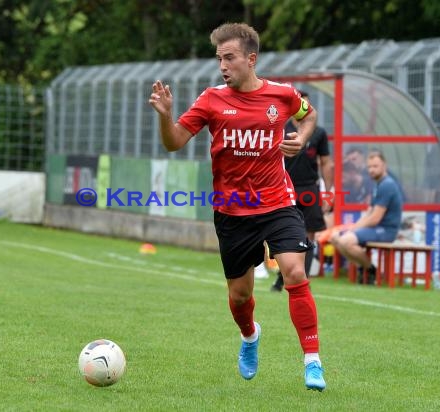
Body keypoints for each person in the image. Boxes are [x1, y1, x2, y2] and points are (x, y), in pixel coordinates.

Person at [148, 22, 326, 391]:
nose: (223, 65)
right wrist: (166, 116)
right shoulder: (211, 99)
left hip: (277, 201)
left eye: (229, 58)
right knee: (240, 295)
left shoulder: (282, 95)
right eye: (219, 59)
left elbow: (308, 115)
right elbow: (175, 142)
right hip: (232, 210)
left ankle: (312, 361)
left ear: (251, 58)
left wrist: (301, 138)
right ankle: (249, 336)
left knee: (294, 271)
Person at [271, 95, 333, 292]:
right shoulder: (281, 129)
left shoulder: (319, 133)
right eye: (299, 104)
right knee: (284, 236)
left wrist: (328, 192)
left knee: (308, 236)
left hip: (310, 188)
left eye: (306, 104)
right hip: (284, 188)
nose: (302, 108)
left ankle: (302, 281)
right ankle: (282, 278)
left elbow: (326, 162)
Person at [330, 151, 403, 284]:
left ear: (384, 165)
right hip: (376, 228)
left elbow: (375, 218)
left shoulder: (387, 185)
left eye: (375, 166)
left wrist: (353, 229)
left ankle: (371, 270)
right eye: (369, 167)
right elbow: (369, 213)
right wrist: (353, 227)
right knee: (335, 238)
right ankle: (363, 269)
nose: (371, 170)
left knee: (346, 241)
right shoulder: (378, 184)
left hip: (386, 230)